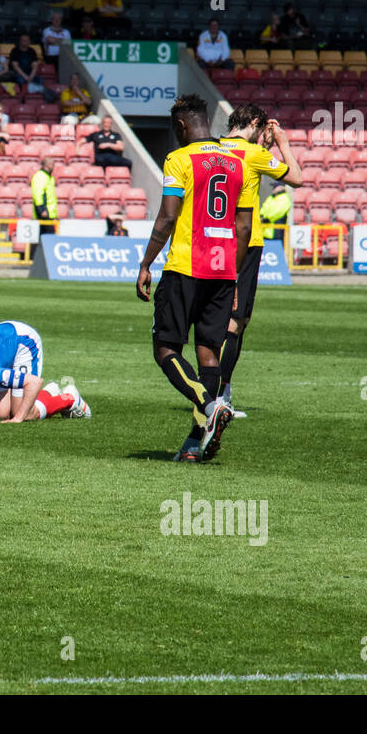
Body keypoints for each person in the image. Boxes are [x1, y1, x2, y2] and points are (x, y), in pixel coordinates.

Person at [135, 94, 248, 464]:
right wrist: (234, 275)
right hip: (224, 269)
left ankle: (208, 404)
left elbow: (168, 217)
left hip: (186, 265)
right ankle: (194, 444)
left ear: (181, 126)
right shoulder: (236, 162)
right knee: (208, 354)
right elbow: (243, 226)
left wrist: (146, 263)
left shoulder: (178, 159)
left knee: (166, 349)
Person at [217, 107, 303, 415]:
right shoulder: (252, 153)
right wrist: (282, 143)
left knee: (222, 318)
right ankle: (220, 395)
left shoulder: (213, 147)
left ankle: (216, 389)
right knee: (235, 321)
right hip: (245, 241)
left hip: (214, 240)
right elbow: (296, 178)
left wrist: (261, 148)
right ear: (255, 123)